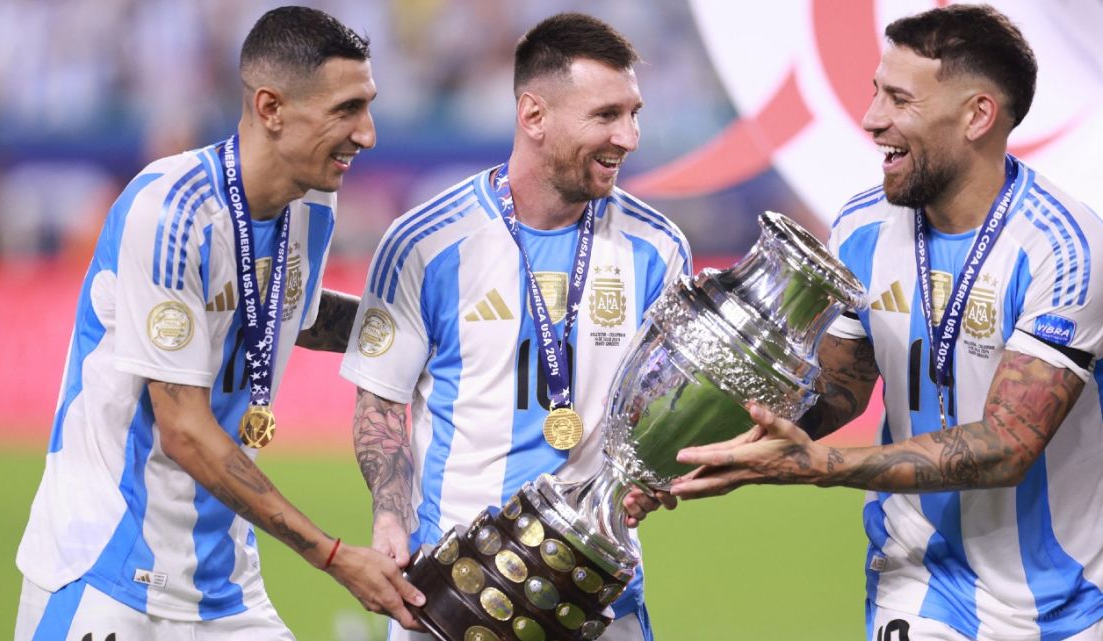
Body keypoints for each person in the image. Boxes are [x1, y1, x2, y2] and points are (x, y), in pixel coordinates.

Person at [671, 5, 1103, 640]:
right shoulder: (861, 228)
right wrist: (732, 435)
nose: (872, 119)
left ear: (977, 116)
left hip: (1064, 605)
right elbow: (842, 389)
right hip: (917, 584)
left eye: (898, 99)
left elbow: (1009, 445)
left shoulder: (1066, 250)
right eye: (876, 91)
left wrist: (822, 467)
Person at [13, 7, 425, 640]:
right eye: (346, 109)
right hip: (106, 574)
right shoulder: (170, 212)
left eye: (367, 107)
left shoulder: (312, 203)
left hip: (223, 585)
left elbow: (298, 316)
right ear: (270, 107)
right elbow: (182, 429)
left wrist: (432, 327)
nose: (366, 134)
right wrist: (335, 557)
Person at [340, 12, 690, 641]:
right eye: (606, 115)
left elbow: (667, 405)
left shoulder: (658, 249)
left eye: (634, 112)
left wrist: (655, 472)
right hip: (450, 593)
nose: (629, 136)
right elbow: (383, 402)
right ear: (533, 115)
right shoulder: (426, 242)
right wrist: (390, 518)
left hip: (599, 596)